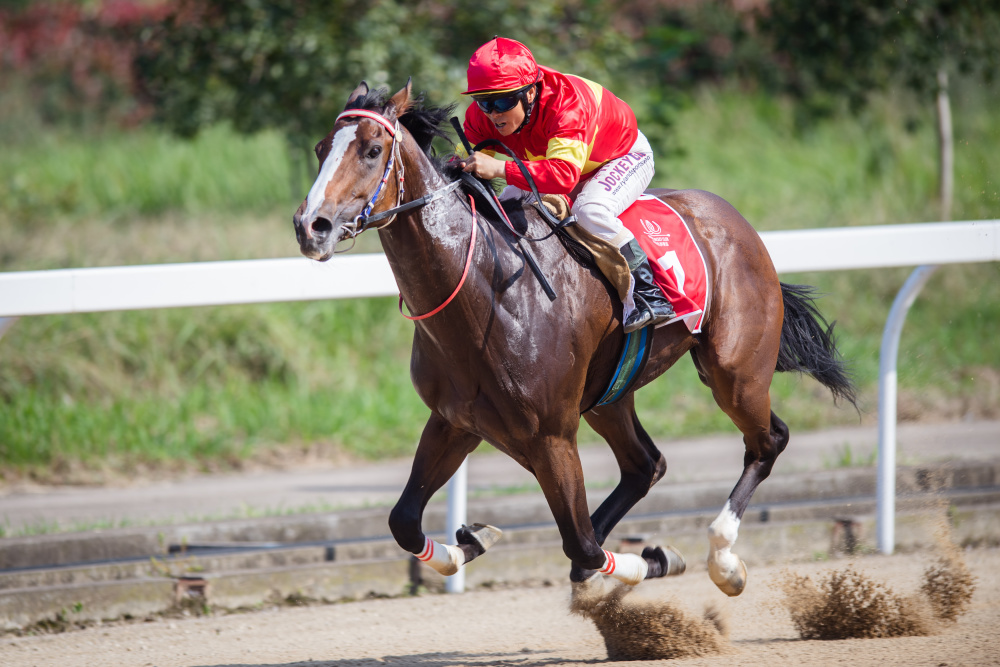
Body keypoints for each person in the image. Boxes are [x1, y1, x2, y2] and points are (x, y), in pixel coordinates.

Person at [459, 36, 672, 333]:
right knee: (504, 206)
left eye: (504, 101)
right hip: (555, 161)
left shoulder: (565, 104)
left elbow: (562, 177)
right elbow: (467, 167)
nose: (494, 113)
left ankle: (649, 294)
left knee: (590, 210)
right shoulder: (481, 116)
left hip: (620, 156)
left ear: (530, 93)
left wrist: (497, 167)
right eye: (484, 102)